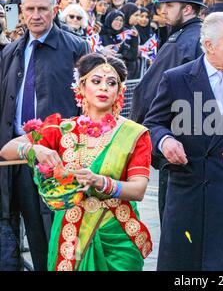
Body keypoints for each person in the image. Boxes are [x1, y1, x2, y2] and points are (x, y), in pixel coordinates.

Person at [144, 12, 223, 270]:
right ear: (208, 46)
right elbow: (152, 124)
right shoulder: (176, 78)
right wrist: (165, 141)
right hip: (189, 198)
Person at [0, 53, 153, 271]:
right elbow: (7, 150)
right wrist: (34, 148)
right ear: (81, 87)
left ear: (120, 91)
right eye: (96, 81)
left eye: (111, 83)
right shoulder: (61, 129)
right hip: (71, 235)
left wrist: (100, 182)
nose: (104, 88)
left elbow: (138, 189)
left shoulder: (134, 134)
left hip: (117, 235)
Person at [0, 0, 89, 271]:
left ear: (54, 10)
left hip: (59, 161)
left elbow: (86, 106)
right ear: (21, 12)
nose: (36, 15)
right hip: (19, 158)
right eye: (30, 9)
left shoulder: (76, 48)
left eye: (42, 9)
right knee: (35, 237)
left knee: (63, 240)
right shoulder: (11, 52)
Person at [131, 0, 206, 224]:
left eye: (170, 5)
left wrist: (136, 134)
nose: (162, 9)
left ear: (187, 9)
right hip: (202, 146)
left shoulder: (180, 42)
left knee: (176, 231)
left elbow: (146, 93)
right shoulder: (204, 36)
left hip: (175, 148)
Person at [119, 3, 141, 80]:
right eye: (136, 15)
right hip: (125, 72)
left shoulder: (133, 28)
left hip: (132, 71)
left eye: (139, 15)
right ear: (128, 14)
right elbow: (130, 55)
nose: (138, 18)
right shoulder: (121, 31)